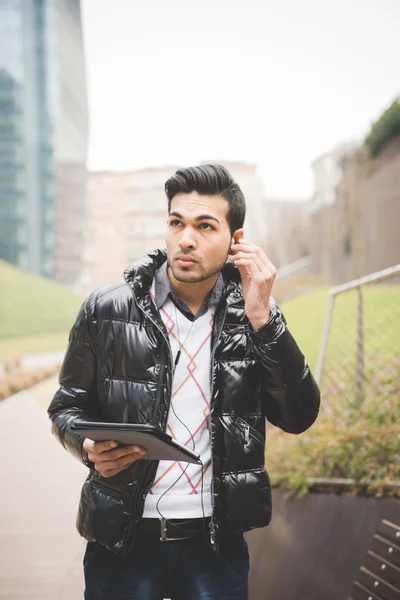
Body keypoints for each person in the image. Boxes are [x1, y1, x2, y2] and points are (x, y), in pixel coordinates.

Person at [48, 164, 320, 600]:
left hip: (216, 545)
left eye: (205, 226)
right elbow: (66, 407)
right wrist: (87, 447)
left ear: (237, 241)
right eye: (177, 222)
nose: (186, 238)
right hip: (122, 538)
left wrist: (263, 319)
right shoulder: (106, 308)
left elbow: (299, 415)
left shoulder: (254, 316)